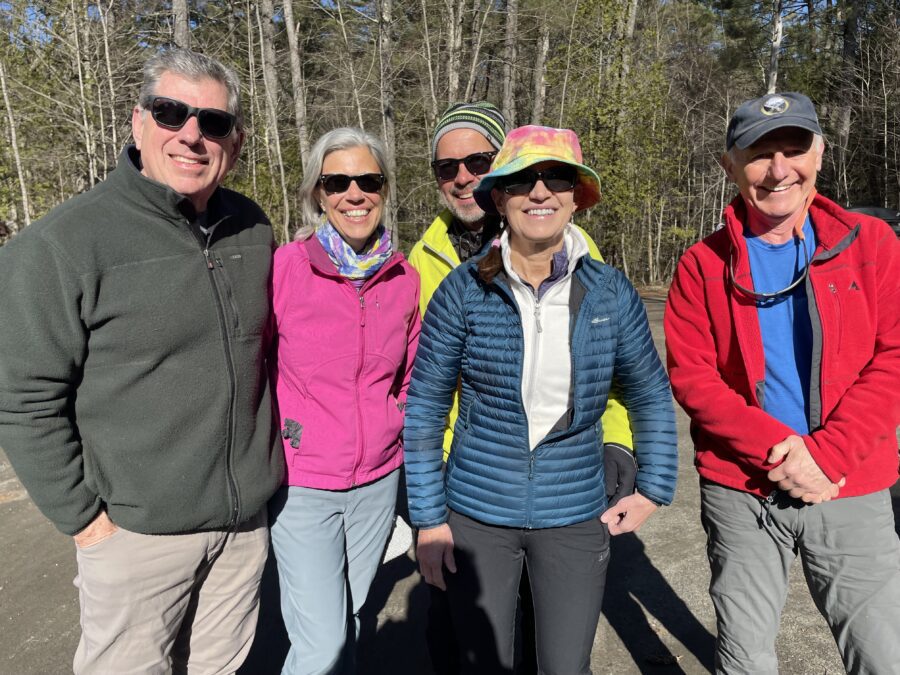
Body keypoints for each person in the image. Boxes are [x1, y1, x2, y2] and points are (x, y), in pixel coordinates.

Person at [0, 49, 283, 673]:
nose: (191, 135)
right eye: (171, 112)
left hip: (242, 529)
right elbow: (23, 401)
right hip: (135, 535)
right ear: (137, 122)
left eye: (213, 122)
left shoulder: (252, 229)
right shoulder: (61, 246)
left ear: (233, 141)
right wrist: (88, 522)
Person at [404, 124, 678, 674]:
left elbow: (648, 392)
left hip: (575, 516)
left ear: (577, 197)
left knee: (564, 666)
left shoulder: (610, 291)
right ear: (499, 197)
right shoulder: (462, 291)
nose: (540, 192)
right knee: (484, 665)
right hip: (477, 515)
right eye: (522, 180)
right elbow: (426, 409)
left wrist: (654, 488)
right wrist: (430, 521)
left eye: (556, 178)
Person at [664, 92, 900, 674]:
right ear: (729, 164)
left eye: (794, 149)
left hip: (851, 480)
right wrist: (780, 452)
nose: (778, 169)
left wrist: (829, 453)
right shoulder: (701, 264)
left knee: (880, 652)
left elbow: (894, 356)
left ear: (819, 154)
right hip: (743, 487)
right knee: (745, 659)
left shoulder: (872, 246)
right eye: (759, 153)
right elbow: (693, 378)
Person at [268, 127, 421, 675]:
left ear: (383, 188)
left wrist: (392, 423)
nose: (354, 194)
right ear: (317, 193)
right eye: (337, 182)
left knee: (352, 614)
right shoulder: (284, 268)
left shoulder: (404, 277)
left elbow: (409, 373)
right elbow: (255, 365)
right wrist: (286, 437)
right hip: (304, 485)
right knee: (321, 640)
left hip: (377, 482)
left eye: (368, 180)